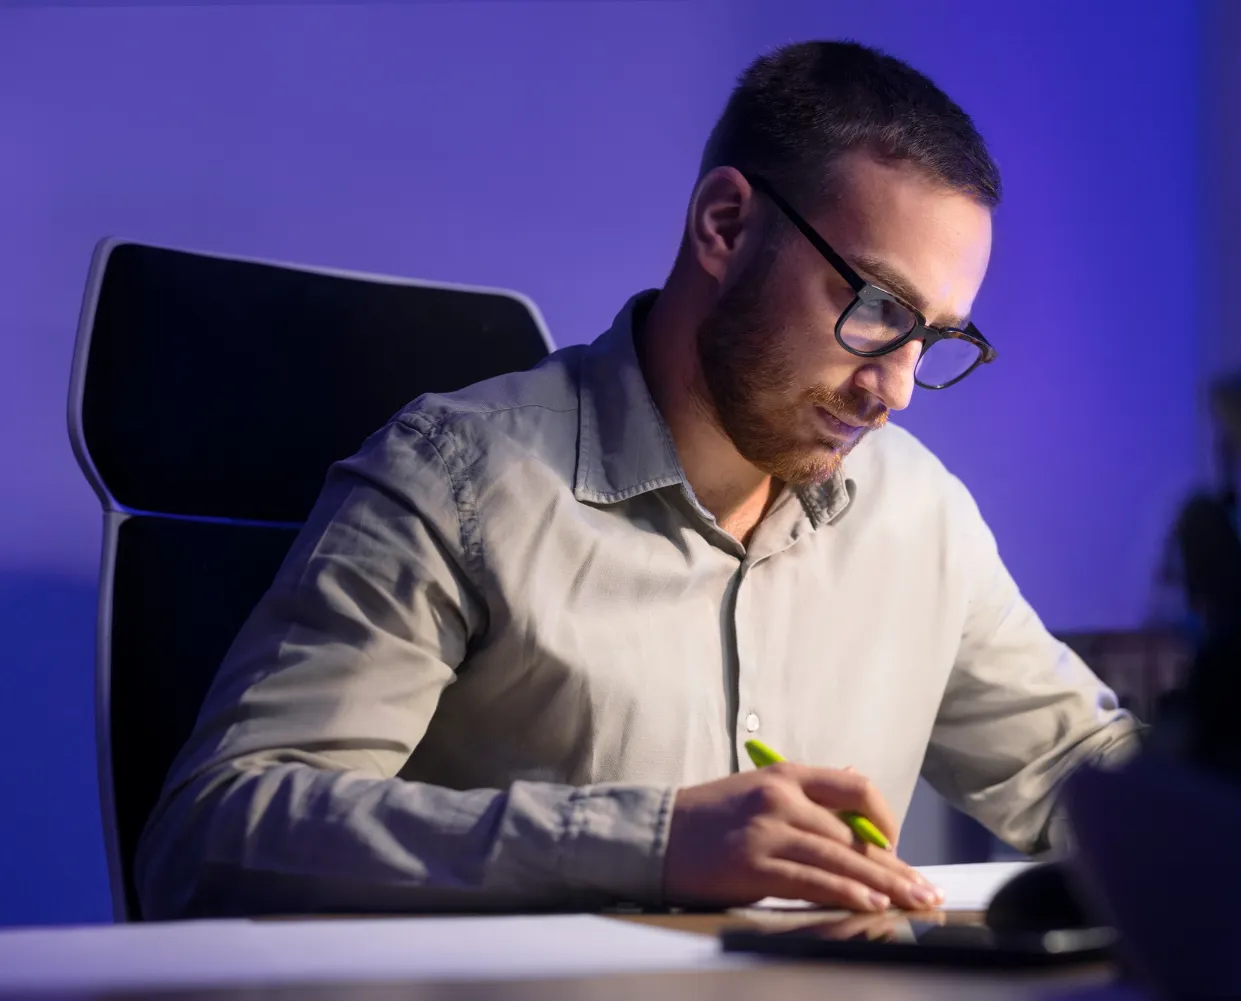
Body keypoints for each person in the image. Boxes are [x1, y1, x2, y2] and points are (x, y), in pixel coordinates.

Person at [137, 40, 1142, 920]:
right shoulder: (459, 476)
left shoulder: (919, 516)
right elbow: (212, 835)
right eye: (876, 305)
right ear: (723, 224)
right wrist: (649, 841)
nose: (897, 388)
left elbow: (1084, 781)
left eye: (937, 336)